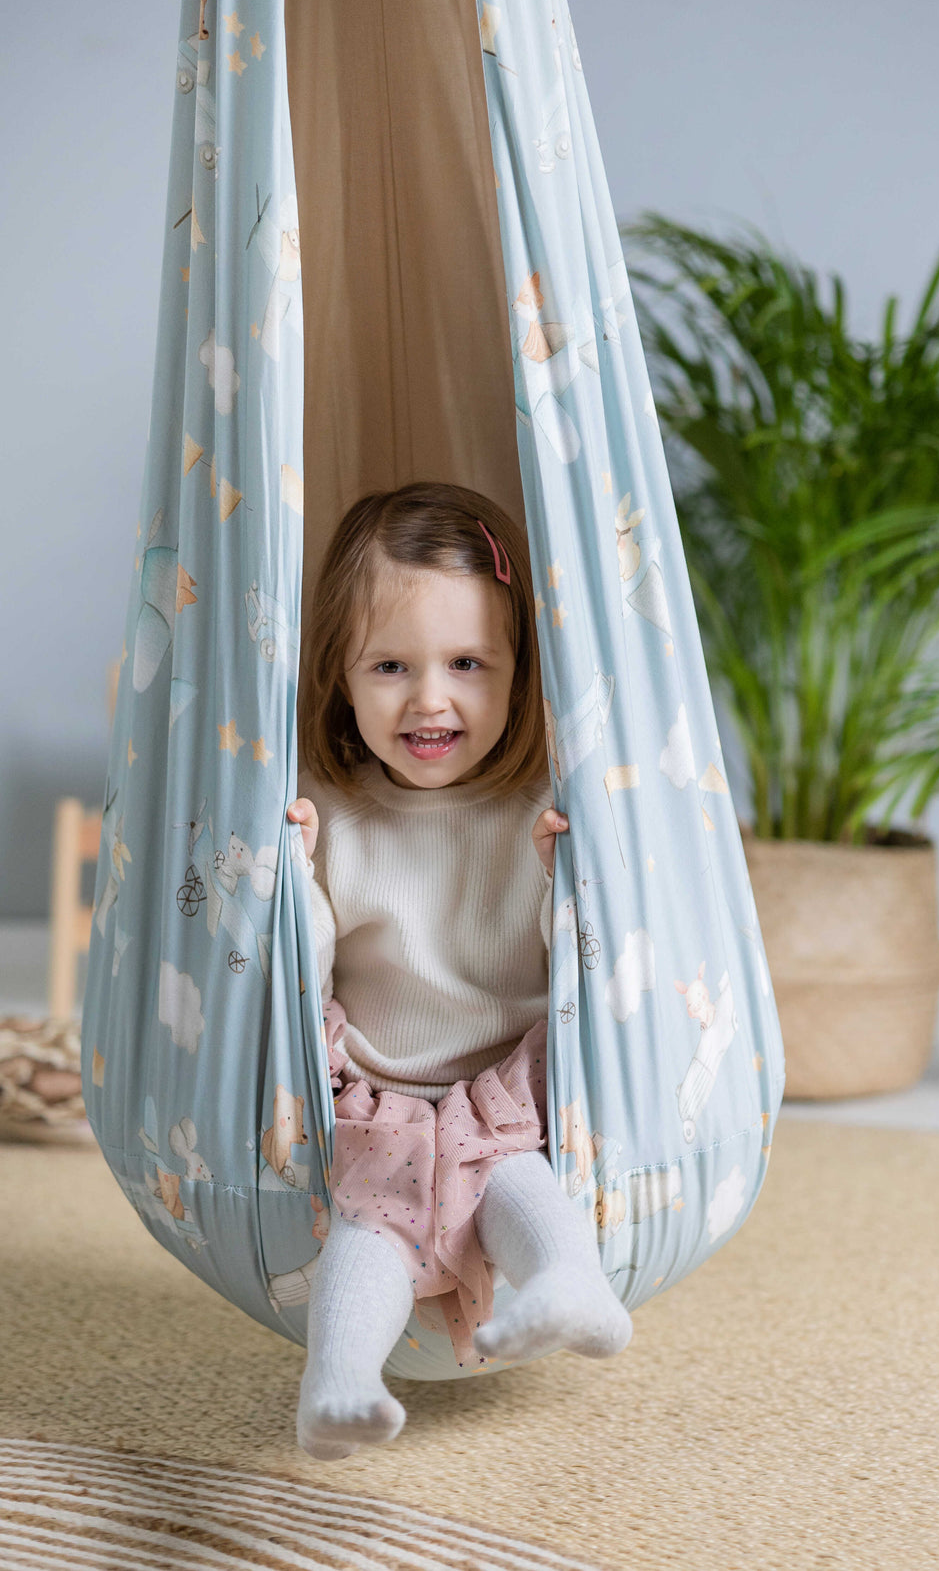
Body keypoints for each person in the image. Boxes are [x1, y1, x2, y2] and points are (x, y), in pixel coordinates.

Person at [287, 482, 632, 1459]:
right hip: (380, 1089)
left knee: (512, 1176)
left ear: (518, 674)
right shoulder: (330, 809)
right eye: (391, 665)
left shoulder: (538, 805)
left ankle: (570, 1283)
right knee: (369, 1226)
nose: (430, 697)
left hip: (504, 1083)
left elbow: (577, 959)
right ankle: (341, 1384)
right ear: (341, 678)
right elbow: (297, 974)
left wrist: (567, 880)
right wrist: (295, 885)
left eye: (467, 664)